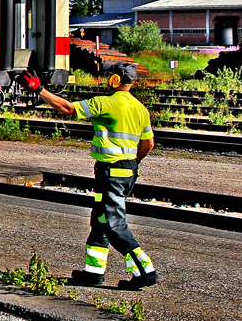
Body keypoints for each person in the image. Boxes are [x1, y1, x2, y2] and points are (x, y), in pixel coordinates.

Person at [19, 61, 158, 290]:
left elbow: (68, 108)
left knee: (113, 224)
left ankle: (146, 271)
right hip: (128, 171)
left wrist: (39, 90)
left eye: (109, 76)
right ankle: (93, 273)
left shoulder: (107, 103)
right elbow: (149, 143)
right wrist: (132, 161)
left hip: (110, 172)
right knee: (101, 221)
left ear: (115, 80)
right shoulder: (141, 109)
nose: (107, 79)